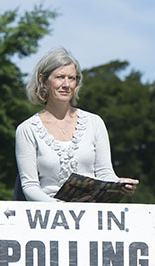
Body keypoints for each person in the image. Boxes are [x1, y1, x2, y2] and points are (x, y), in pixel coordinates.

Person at [15, 47, 139, 201]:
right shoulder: (27, 129)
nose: (66, 84)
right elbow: (30, 186)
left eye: (72, 78)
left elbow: (105, 173)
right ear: (43, 80)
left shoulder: (94, 123)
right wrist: (61, 210)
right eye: (60, 77)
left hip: (91, 215)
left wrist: (119, 184)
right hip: (46, 217)